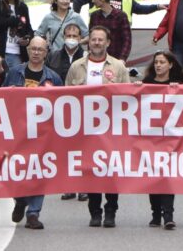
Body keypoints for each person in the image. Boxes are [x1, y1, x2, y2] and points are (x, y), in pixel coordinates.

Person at [66, 26, 130, 228]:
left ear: (108, 43)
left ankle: (111, 210)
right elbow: (65, 96)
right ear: (88, 42)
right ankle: (95, 211)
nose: (96, 43)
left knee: (111, 171)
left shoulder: (118, 66)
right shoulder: (77, 66)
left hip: (112, 128)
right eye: (93, 39)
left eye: (101, 40)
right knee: (91, 171)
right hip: (85, 129)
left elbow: (129, 96)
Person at [4, 37, 63, 230]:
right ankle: (20, 200)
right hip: (18, 132)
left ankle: (33, 213)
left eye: (40, 49)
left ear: (46, 53)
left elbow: (62, 105)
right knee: (19, 170)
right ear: (28, 50)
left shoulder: (53, 78)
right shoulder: (14, 73)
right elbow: (0, 98)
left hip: (42, 134)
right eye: (33, 49)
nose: (36, 52)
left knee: (39, 171)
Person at [140, 51, 183, 229]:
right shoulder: (146, 84)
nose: (158, 65)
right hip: (151, 137)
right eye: (156, 62)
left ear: (171, 65)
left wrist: (180, 89)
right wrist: (136, 88)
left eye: (162, 62)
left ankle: (168, 215)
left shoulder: (179, 85)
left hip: (171, 137)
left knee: (167, 176)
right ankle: (155, 214)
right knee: (153, 177)